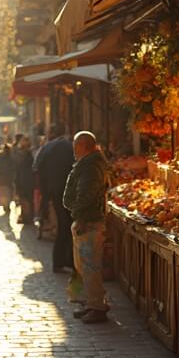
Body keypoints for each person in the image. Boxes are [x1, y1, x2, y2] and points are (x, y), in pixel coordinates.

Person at [63, 131, 111, 324]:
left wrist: (77, 211)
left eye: (77, 147)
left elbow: (85, 196)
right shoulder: (87, 165)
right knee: (84, 265)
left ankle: (97, 307)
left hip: (89, 222)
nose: (74, 151)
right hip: (85, 220)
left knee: (90, 266)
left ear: (84, 146)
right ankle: (92, 303)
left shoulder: (90, 168)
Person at [34, 123, 75, 273]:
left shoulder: (46, 148)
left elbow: (37, 168)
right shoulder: (70, 146)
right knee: (69, 226)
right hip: (69, 191)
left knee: (64, 225)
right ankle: (68, 260)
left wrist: (45, 193)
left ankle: (61, 260)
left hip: (54, 192)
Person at [14, 135, 35, 225]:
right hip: (23, 180)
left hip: (26, 180)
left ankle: (27, 217)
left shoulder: (28, 154)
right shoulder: (23, 154)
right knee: (25, 199)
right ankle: (25, 216)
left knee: (26, 199)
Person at [0, 142, 16, 216]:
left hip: (0, 178)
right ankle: (7, 206)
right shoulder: (12, 157)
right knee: (8, 193)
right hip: (8, 179)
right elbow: (14, 168)